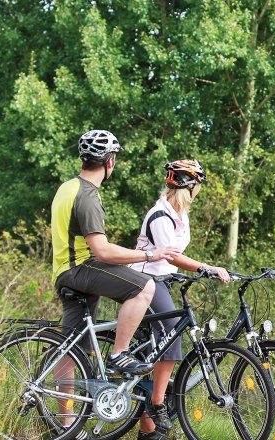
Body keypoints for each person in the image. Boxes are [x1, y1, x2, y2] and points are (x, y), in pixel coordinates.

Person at [51, 130, 180, 436]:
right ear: (110, 162)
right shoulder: (87, 196)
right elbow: (102, 250)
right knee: (143, 286)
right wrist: (149, 253)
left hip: (63, 270)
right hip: (80, 268)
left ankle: (66, 427)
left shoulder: (67, 187)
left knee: (71, 350)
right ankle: (119, 354)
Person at [129, 159, 230, 440]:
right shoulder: (161, 216)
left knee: (153, 351)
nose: (199, 190)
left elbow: (172, 260)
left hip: (162, 281)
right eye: (197, 184)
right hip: (144, 282)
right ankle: (158, 403)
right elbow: (170, 255)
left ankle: (148, 432)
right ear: (190, 185)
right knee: (173, 333)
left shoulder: (179, 214)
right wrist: (205, 267)